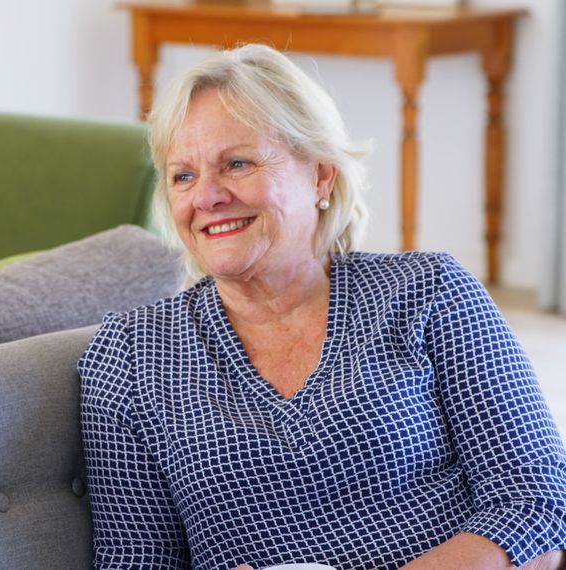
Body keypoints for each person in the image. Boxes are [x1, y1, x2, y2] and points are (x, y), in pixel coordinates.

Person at [78, 43, 566, 569]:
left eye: (237, 163)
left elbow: (537, 504)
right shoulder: (127, 356)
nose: (207, 197)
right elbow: (135, 559)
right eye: (183, 176)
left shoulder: (429, 292)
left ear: (320, 176)